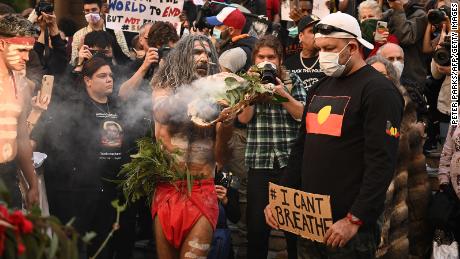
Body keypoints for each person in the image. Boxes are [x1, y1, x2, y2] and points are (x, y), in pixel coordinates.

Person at [264, 12, 404, 258]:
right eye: (320, 49)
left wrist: (355, 219)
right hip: (310, 224)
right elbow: (301, 149)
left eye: (329, 48)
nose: (322, 56)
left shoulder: (379, 91)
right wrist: (281, 200)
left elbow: (381, 162)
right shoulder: (320, 87)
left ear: (352, 47)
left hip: (348, 230)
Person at [31, 57, 126, 259]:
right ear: (87, 80)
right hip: (77, 190)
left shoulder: (119, 108)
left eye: (111, 75)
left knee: (102, 248)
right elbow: (55, 146)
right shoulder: (74, 106)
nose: (109, 79)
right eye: (102, 76)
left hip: (109, 190)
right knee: (70, 248)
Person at [150, 34, 233, 258]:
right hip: (167, 189)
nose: (204, 58)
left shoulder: (219, 98)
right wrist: (199, 89)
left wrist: (226, 125)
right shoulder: (164, 86)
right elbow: (162, 112)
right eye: (197, 52)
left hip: (202, 191)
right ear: (183, 57)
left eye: (208, 54)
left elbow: (222, 158)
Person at [238, 35, 307, 259]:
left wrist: (281, 94)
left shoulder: (292, 79)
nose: (266, 61)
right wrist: (250, 90)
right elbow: (244, 119)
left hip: (290, 163)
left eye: (271, 57)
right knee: (257, 230)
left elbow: (302, 116)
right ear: (254, 59)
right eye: (261, 57)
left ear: (279, 59)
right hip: (260, 163)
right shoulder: (246, 81)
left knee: (294, 231)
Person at [0, 14, 39, 209]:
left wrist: (33, 183)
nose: (27, 57)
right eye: (21, 50)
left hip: (8, 174)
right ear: (2, 44)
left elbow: (22, 138)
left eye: (29, 51)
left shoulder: (22, 85)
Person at [71, 0, 130, 66]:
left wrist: (112, 49)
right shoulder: (78, 35)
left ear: (101, 10)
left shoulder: (116, 31)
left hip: (114, 72)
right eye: (87, 11)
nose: (90, 14)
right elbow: (73, 63)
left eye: (94, 10)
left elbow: (126, 56)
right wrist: (80, 53)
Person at [383, 0, 427, 84]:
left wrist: (399, 11)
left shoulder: (420, 14)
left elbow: (407, 37)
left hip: (411, 76)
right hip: (389, 72)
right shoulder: (389, 14)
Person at [207, 7, 256, 73]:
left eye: (218, 26)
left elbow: (215, 79)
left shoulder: (233, 54)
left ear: (231, 30)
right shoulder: (231, 44)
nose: (214, 28)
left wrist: (210, 47)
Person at [284, 14, 325, 91]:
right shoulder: (289, 64)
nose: (317, 35)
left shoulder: (328, 61)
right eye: (312, 31)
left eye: (319, 31)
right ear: (301, 36)